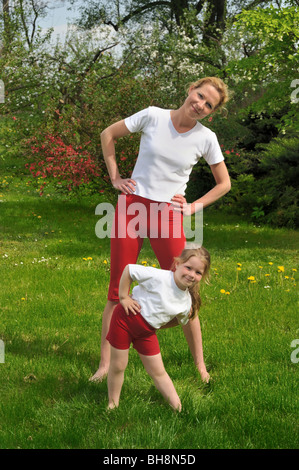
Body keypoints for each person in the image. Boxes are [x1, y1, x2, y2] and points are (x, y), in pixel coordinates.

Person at [90, 76, 231, 383]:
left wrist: (192, 207)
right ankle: (104, 365)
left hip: (168, 215)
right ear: (189, 89)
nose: (200, 105)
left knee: (187, 290)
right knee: (117, 291)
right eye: (200, 96)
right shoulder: (152, 115)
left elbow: (224, 184)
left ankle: (200, 368)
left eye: (209, 105)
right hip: (131, 208)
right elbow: (108, 135)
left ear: (211, 112)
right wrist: (115, 178)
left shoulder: (206, 137)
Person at [106, 246, 211, 411]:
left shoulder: (185, 303)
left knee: (159, 371)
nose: (191, 274)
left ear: (202, 276)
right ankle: (113, 404)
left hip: (146, 333)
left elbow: (180, 321)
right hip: (125, 319)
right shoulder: (160, 277)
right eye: (188, 267)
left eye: (198, 272)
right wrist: (124, 297)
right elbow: (129, 270)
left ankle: (178, 408)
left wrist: (157, 324)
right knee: (119, 365)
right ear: (177, 264)